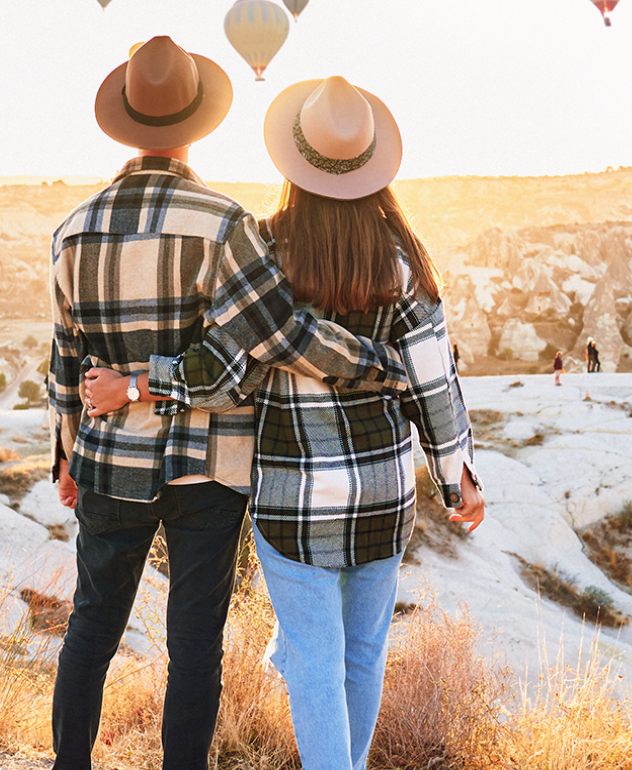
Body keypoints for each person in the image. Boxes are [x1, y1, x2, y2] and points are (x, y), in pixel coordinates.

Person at [85, 74, 484, 770]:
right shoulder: (400, 262)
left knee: (314, 664)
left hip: (293, 496)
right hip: (381, 494)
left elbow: (222, 374)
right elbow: (434, 383)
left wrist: (142, 382)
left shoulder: (259, 252)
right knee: (361, 658)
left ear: (292, 165)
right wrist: (458, 479)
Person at [45, 40, 405, 770]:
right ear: (196, 123)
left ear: (123, 125)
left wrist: (64, 451)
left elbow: (64, 359)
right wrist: (378, 365)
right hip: (209, 463)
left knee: (90, 629)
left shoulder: (72, 231)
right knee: (194, 643)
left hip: (109, 457)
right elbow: (245, 354)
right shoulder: (225, 224)